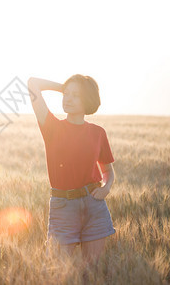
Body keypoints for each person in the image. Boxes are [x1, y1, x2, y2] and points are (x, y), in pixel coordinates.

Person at [27, 74, 116, 269]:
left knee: (90, 272)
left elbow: (108, 170)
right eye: (66, 95)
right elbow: (33, 84)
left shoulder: (98, 133)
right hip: (63, 207)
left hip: (94, 205)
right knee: (56, 272)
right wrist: (65, 87)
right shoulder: (51, 126)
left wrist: (106, 188)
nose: (67, 98)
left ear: (87, 100)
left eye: (75, 95)